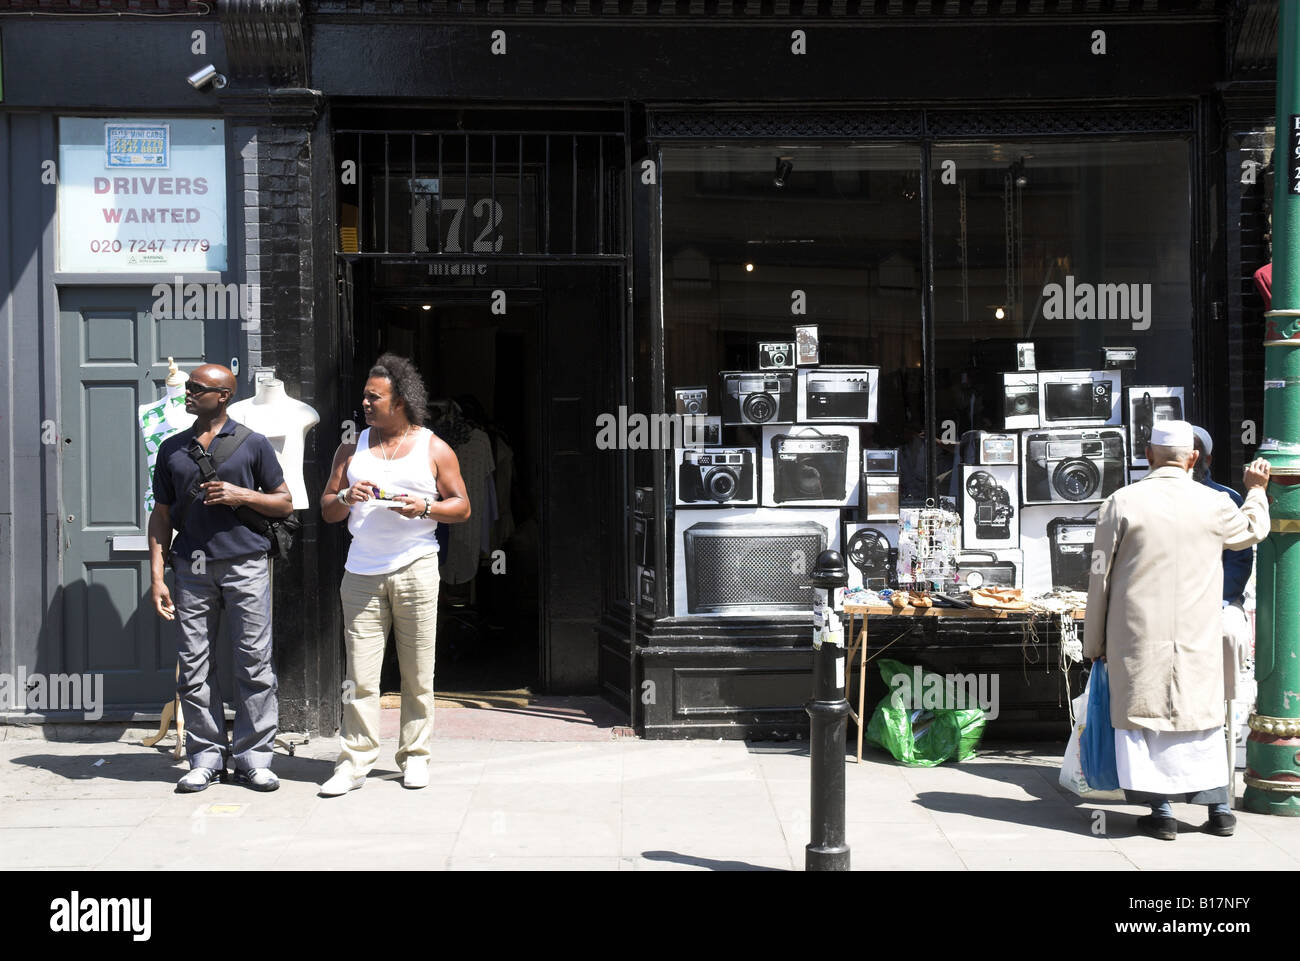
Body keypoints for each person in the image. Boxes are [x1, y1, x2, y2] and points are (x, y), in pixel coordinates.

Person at [1084, 421, 1271, 840]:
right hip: (1195, 638)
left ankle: (1162, 812)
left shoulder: (1121, 502)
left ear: (1148, 455)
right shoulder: (1216, 503)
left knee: (1145, 727)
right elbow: (1254, 530)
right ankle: (1219, 810)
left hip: (1135, 638)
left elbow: (1099, 577)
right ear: (1192, 458)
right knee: (1199, 723)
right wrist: (1256, 489)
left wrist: (1093, 640)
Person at [318, 354, 471, 796]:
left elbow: (462, 506)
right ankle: (354, 761)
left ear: (400, 401)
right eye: (365, 396)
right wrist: (346, 494)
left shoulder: (433, 446)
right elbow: (328, 510)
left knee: (418, 673)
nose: (364, 403)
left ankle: (416, 757)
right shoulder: (352, 447)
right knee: (361, 676)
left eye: (373, 397)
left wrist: (423, 507)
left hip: (417, 567)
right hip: (361, 571)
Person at [148, 364, 294, 793]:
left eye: (197, 388)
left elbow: (284, 503)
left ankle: (254, 758)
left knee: (253, 661)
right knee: (194, 666)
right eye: (188, 387)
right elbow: (160, 518)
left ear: (224, 395)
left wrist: (240, 495)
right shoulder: (172, 448)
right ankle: (206, 757)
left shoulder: (253, 445)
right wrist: (157, 577)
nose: (188, 393)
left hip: (246, 564)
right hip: (190, 571)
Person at [1191, 426, 1255, 704]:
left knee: (1229, 633)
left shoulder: (1227, 498)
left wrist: (1218, 601)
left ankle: (1228, 706)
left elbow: (1238, 561)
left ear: (1207, 458)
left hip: (1219, 599)